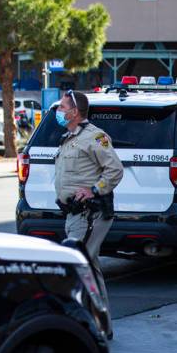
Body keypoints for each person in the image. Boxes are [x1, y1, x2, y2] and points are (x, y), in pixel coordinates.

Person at [53, 90, 124, 300]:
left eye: (62, 107)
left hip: (89, 214)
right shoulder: (70, 138)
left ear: (74, 112)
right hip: (74, 214)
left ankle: (87, 320)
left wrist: (93, 190)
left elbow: (115, 170)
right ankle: (99, 323)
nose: (58, 111)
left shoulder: (94, 137)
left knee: (78, 263)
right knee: (89, 266)